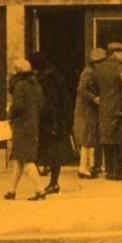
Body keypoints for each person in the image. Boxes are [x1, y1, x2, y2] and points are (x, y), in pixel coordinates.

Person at [4, 58, 47, 201]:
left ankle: (40, 191)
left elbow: (18, 105)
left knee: (27, 159)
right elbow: (41, 104)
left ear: (17, 70)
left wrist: (9, 112)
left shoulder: (19, 85)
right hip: (33, 124)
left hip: (21, 126)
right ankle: (11, 190)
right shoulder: (35, 83)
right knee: (19, 160)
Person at [31, 51, 73, 195]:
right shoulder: (55, 75)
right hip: (59, 119)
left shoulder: (44, 79)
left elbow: (47, 101)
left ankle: (52, 183)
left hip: (50, 120)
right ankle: (54, 182)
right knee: (55, 153)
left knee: (50, 151)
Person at [94, 42, 122, 180]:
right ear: (115, 53)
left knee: (107, 139)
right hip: (118, 107)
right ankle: (117, 171)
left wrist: (96, 98)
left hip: (103, 108)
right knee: (118, 139)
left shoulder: (99, 68)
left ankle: (109, 170)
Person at [74, 48, 105, 179]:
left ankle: (89, 166)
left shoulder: (92, 71)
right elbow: (82, 89)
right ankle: (83, 167)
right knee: (87, 139)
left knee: (90, 138)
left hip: (89, 109)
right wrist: (94, 98)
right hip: (86, 110)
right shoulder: (89, 73)